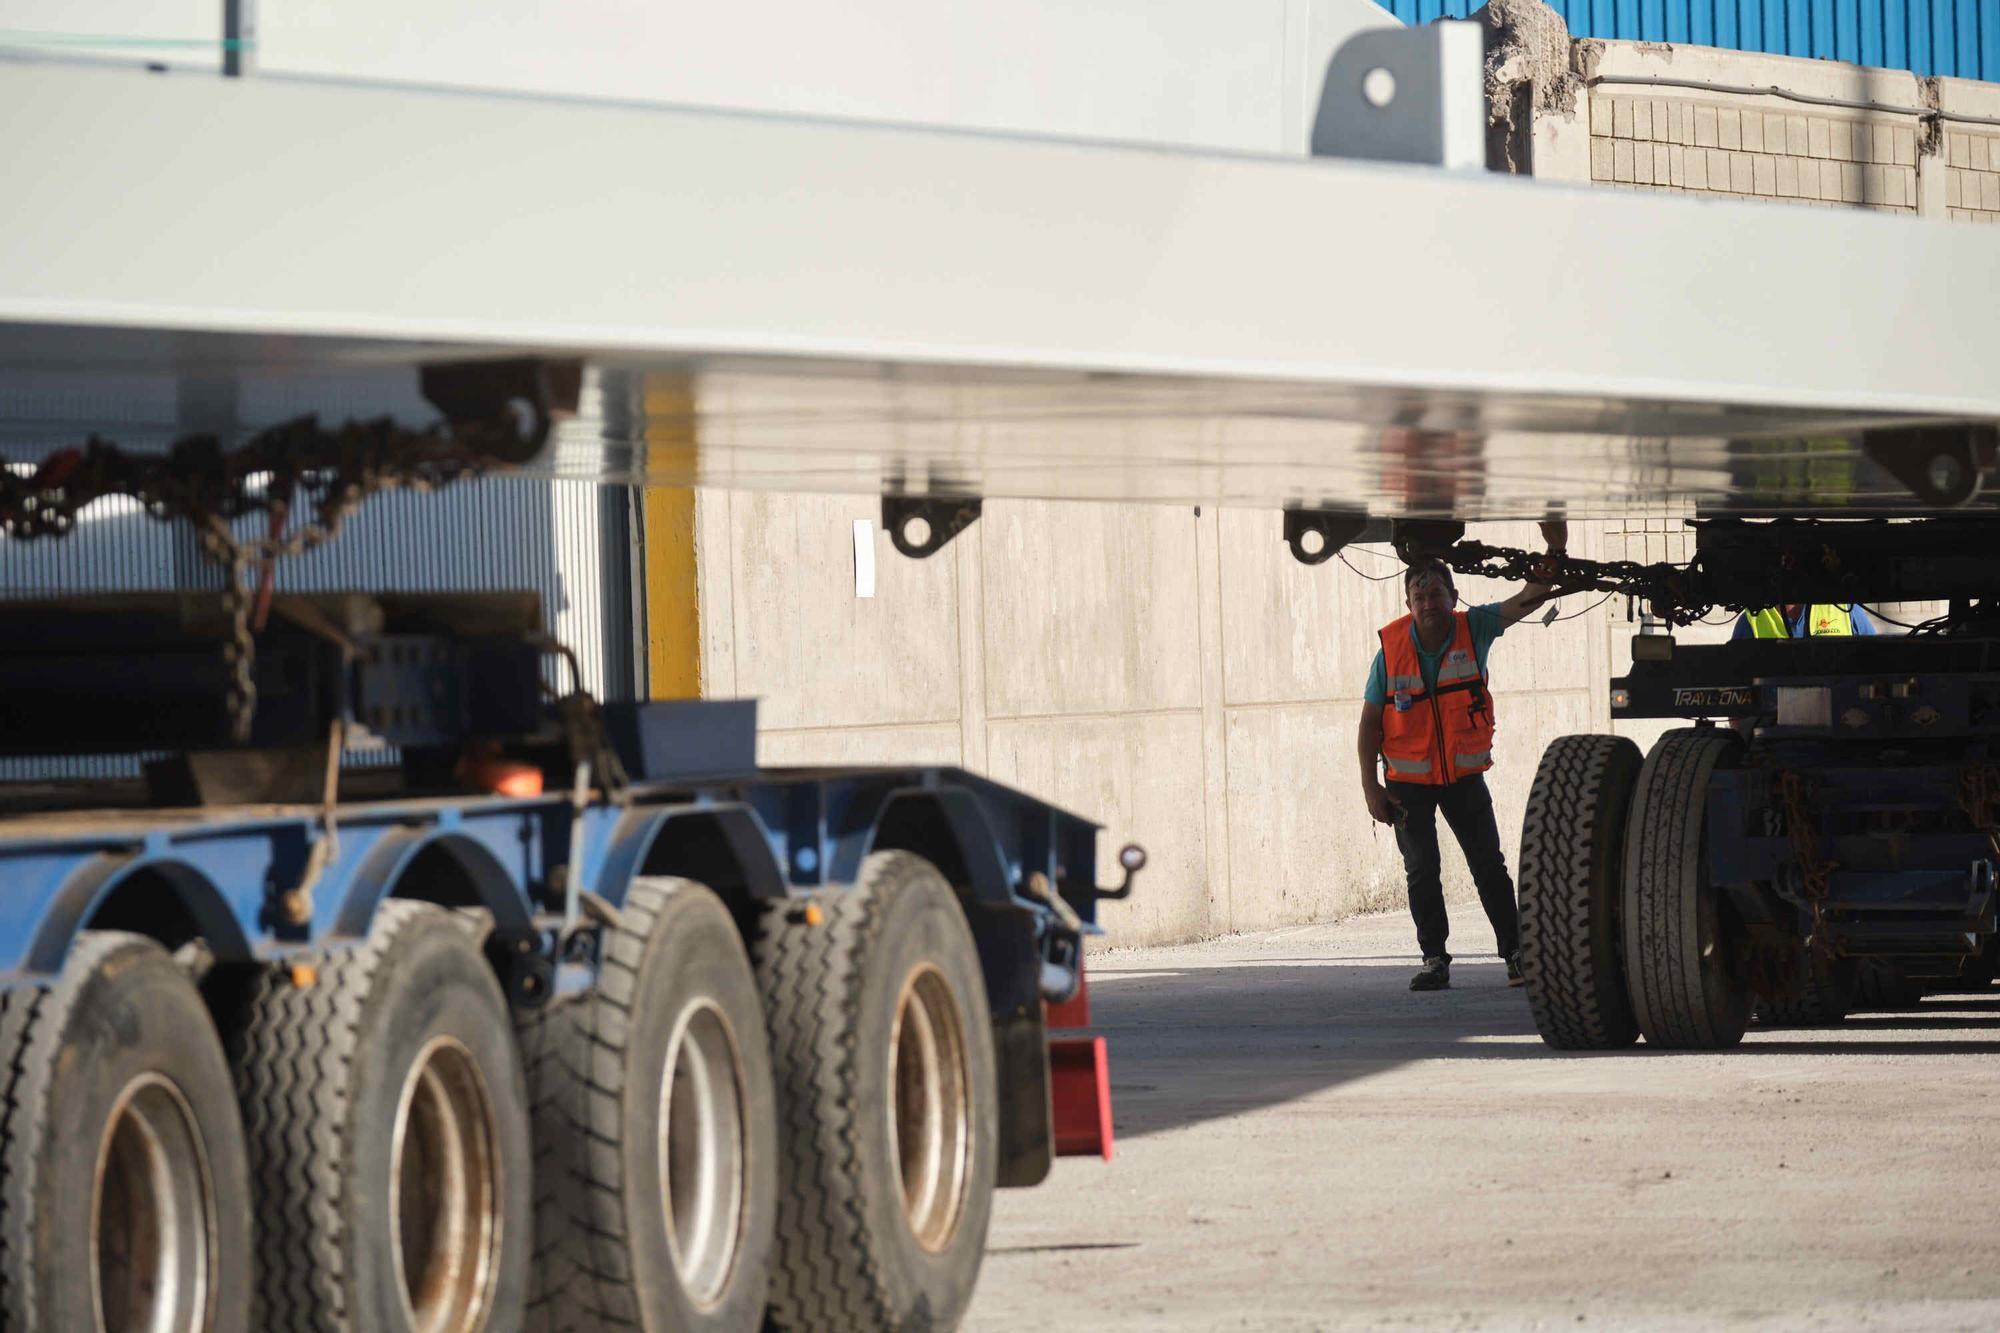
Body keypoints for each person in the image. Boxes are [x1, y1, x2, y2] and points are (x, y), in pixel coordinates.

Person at [1356, 522, 1567, 992]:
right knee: (1422, 871)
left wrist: (1556, 548)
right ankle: (1434, 959)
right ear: (1409, 606)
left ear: (1454, 597)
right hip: (1408, 783)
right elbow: (1370, 724)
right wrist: (1372, 788)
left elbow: (1526, 600)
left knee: (1488, 866)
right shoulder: (1390, 653)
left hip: (1463, 778)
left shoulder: (1476, 628)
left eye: (1436, 595)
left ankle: (1516, 955)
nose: (1428, 604)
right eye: (1420, 597)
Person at [1730, 603, 1876, 639]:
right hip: (1775, 716)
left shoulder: (1846, 609)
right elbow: (1736, 710)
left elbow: (1876, 666)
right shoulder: (1750, 620)